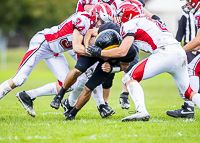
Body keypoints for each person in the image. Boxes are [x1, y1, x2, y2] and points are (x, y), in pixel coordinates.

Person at [87, 0, 200, 121]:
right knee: (187, 93)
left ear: (127, 14)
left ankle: (141, 110)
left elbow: (122, 51)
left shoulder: (130, 24)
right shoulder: (152, 21)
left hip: (165, 53)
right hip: (180, 52)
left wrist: (100, 53)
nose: (118, 18)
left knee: (128, 78)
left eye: (120, 14)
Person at [0, 8, 94, 117]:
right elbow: (77, 48)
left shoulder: (91, 25)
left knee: (68, 84)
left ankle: (28, 96)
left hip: (55, 50)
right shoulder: (83, 20)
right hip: (43, 42)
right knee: (18, 80)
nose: (101, 24)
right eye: (100, 20)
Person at [50, 3, 116, 117]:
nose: (103, 25)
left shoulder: (107, 26)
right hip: (77, 46)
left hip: (98, 52)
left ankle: (97, 105)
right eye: (102, 21)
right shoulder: (83, 20)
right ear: (95, 16)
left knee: (88, 82)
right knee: (78, 71)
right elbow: (77, 47)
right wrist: (88, 48)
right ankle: (60, 95)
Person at [65, 24, 137, 120]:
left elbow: (125, 66)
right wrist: (89, 48)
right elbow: (90, 32)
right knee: (79, 73)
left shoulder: (130, 52)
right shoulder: (107, 29)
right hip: (96, 53)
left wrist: (112, 68)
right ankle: (63, 97)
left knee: (88, 87)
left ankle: (72, 113)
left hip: (110, 62)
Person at [166, 0, 200, 118]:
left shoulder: (198, 12)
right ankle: (189, 105)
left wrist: (179, 51)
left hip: (193, 50)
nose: (187, 3)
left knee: (191, 70)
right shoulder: (190, 14)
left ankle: (189, 107)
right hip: (193, 50)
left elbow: (198, 39)